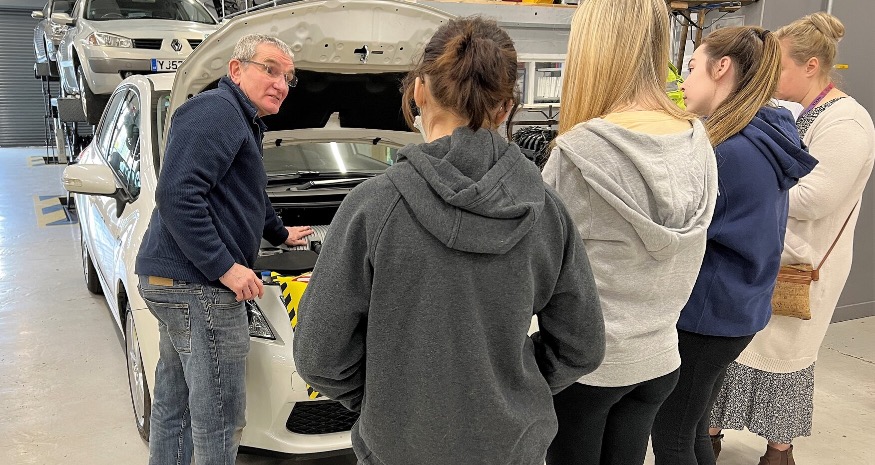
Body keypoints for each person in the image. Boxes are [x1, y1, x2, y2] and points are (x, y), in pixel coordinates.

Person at [292, 17, 606, 465]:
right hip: (511, 448)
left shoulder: (372, 208)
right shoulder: (547, 212)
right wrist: (511, 387)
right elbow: (582, 346)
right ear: (506, 107)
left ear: (419, 91)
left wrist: (387, 401)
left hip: (400, 450)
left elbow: (318, 355)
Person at [540, 1, 718, 464]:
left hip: (588, 368)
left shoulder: (578, 153)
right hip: (659, 357)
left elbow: (539, 273)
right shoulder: (697, 140)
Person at [135, 34, 313, 465]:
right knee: (220, 420)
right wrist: (226, 267)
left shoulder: (240, 119)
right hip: (199, 288)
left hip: (176, 284)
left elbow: (248, 191)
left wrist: (279, 233)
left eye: (288, 77)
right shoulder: (216, 112)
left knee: (176, 406)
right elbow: (177, 195)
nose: (281, 84)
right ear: (236, 69)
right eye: (270, 69)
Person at [709, 13, 875, 465]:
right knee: (735, 353)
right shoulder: (801, 112)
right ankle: (710, 434)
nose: (769, 76)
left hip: (803, 264)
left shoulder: (846, 122)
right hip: (773, 254)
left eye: (778, 67)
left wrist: (749, 186)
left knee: (785, 358)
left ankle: (777, 452)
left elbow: (817, 198)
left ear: (811, 65)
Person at [648, 26, 819, 465]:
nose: (684, 82)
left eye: (692, 67)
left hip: (708, 313)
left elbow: (679, 233)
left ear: (721, 67)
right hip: (737, 307)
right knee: (693, 427)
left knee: (672, 434)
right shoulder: (765, 134)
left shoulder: (728, 151)